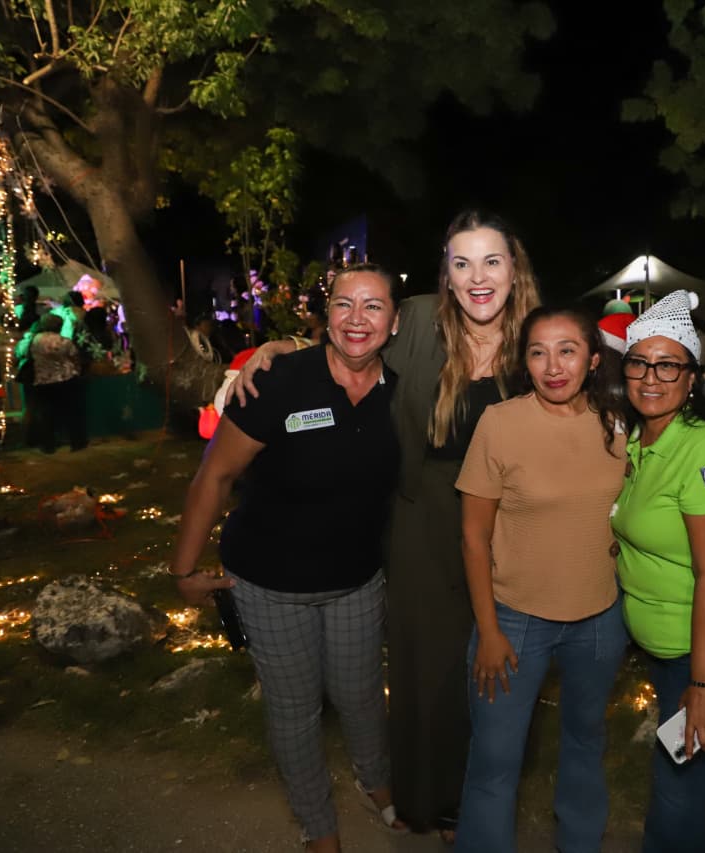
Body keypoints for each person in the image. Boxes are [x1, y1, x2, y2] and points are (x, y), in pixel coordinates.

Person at [232, 210, 543, 840]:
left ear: (516, 268)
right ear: (446, 275)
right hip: (424, 516)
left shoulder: (538, 333)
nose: (477, 277)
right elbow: (351, 339)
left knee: (498, 667)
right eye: (462, 263)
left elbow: (591, 378)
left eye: (491, 261)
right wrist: (280, 350)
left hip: (512, 520)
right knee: (427, 666)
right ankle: (428, 798)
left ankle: (476, 797)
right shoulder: (422, 319)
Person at [172, 263, 408, 852]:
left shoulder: (402, 392)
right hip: (270, 581)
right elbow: (214, 476)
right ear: (325, 316)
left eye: (373, 306)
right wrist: (183, 570)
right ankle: (316, 824)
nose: (358, 319)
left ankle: (376, 783)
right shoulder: (278, 380)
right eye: (344, 305)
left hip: (356, 579)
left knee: (360, 695)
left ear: (395, 321)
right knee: (296, 709)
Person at [454, 306, 628, 853]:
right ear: (524, 362)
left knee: (585, 743)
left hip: (600, 620)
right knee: (495, 759)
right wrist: (488, 630)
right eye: (538, 352)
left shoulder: (619, 425)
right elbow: (473, 538)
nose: (553, 366)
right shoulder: (500, 424)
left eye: (568, 350)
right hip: (514, 622)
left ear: (593, 360)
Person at [609, 290, 705, 853]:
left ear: (693, 378)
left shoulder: (702, 447)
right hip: (667, 648)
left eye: (668, 364)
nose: (651, 377)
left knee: (677, 791)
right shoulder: (636, 441)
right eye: (639, 362)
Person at [28, 314, 87, 452]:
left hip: (43, 380)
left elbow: (29, 356)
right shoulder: (64, 341)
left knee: (47, 413)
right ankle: (77, 442)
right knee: (71, 412)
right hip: (65, 379)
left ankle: (48, 445)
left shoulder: (35, 340)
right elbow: (75, 357)